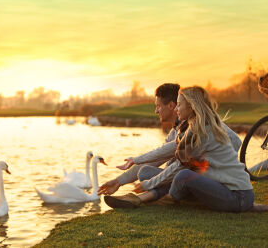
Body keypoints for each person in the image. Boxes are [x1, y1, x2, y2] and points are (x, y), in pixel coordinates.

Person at [104, 86, 255, 212]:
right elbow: (167, 154)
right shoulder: (190, 128)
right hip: (215, 185)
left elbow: (180, 165)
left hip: (237, 196)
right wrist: (131, 169)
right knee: (146, 172)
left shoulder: (202, 130)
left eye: (179, 104)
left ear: (191, 106)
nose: (176, 108)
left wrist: (148, 184)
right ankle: (148, 197)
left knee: (183, 175)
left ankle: (147, 198)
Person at [97, 83, 181, 196]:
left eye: (158, 106)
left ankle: (150, 196)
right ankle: (154, 195)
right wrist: (118, 181)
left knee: (147, 173)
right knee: (146, 171)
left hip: (190, 179)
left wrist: (135, 159)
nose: (156, 111)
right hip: (180, 178)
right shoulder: (174, 132)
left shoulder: (189, 130)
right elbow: (156, 159)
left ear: (171, 106)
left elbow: (162, 151)